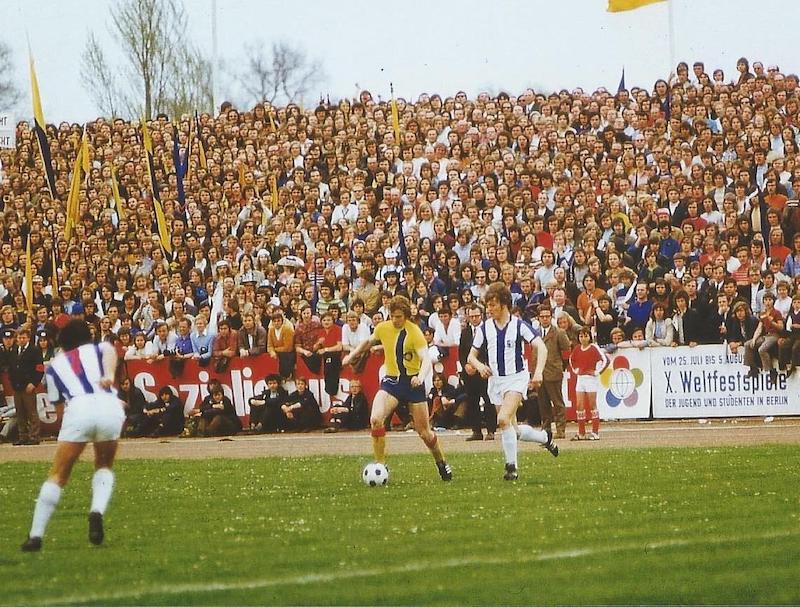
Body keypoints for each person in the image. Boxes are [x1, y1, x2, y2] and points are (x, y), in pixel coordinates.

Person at [21, 320, 125, 552]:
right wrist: (108, 375)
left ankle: (36, 535)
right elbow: (109, 351)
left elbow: (59, 409)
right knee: (104, 464)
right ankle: (96, 511)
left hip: (78, 408)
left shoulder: (56, 364)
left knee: (58, 474)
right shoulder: (99, 349)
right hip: (110, 405)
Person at [343, 294, 453, 481]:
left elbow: (426, 359)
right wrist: (352, 354)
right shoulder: (383, 328)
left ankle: (441, 462)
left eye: (399, 316)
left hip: (412, 384)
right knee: (376, 419)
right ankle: (380, 465)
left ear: (406, 315)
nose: (395, 320)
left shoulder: (415, 332)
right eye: (393, 316)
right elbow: (368, 342)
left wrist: (419, 377)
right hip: (391, 382)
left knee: (425, 433)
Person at [467, 283, 559, 481]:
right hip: (496, 382)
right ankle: (545, 437)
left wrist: (538, 373)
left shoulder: (518, 325)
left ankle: (511, 468)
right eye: (488, 305)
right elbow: (471, 356)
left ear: (504, 303)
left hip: (516, 379)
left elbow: (540, 348)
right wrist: (480, 366)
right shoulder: (485, 328)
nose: (489, 309)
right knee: (512, 430)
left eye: (493, 305)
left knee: (502, 420)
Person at [459, 303, 494, 441]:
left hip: (485, 371)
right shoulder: (465, 332)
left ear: (482, 316)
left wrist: (483, 366)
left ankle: (491, 430)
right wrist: (466, 366)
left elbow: (491, 350)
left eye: (476, 316)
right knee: (472, 402)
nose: (474, 318)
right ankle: (476, 431)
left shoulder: (488, 330)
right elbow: (461, 353)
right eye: (471, 316)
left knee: (488, 400)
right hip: (470, 373)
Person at [536, 304, 572, 439]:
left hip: (554, 372)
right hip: (539, 373)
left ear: (551, 317)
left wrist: (561, 367)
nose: (545, 319)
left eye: (547, 316)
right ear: (538, 318)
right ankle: (546, 428)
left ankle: (560, 429)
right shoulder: (535, 333)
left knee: (557, 402)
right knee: (543, 403)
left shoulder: (559, 333)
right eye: (542, 317)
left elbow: (566, 352)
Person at [568, 328, 609, 441]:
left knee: (592, 405)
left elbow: (606, 360)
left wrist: (596, 372)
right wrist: (576, 371)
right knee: (579, 406)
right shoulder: (577, 349)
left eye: (585, 336)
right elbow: (571, 360)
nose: (583, 338)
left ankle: (595, 432)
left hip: (591, 379)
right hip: (580, 379)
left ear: (589, 337)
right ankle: (581, 432)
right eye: (581, 336)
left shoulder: (594, 348)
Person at [11, 326, 45, 446]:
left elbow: (40, 368)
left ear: (28, 338)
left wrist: (34, 383)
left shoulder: (34, 350)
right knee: (20, 413)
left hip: (28, 386)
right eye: (19, 337)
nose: (21, 340)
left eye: (23, 337)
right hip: (17, 387)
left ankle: (34, 436)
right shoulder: (14, 350)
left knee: (31, 412)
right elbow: (12, 367)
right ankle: (23, 436)